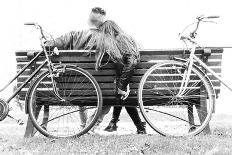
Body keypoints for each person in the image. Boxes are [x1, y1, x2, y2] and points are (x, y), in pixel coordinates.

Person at [45, 7, 146, 134]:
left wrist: (53, 48)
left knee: (80, 84)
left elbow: (48, 44)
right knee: (109, 92)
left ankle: (84, 126)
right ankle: (91, 126)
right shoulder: (110, 40)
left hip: (74, 88)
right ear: (103, 24)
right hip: (104, 90)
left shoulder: (73, 35)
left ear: (88, 20)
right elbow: (123, 61)